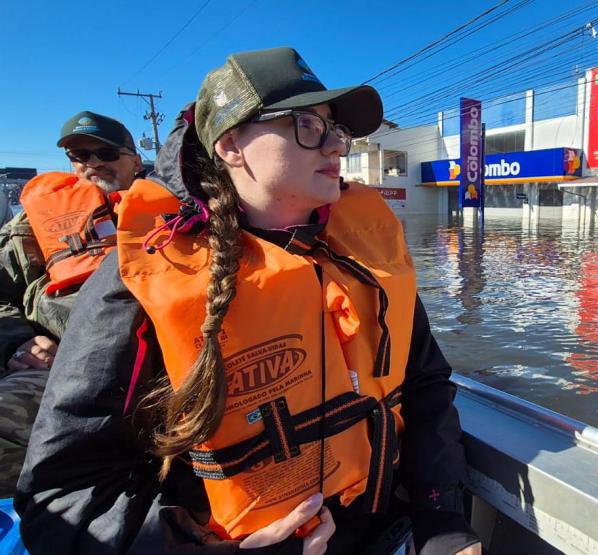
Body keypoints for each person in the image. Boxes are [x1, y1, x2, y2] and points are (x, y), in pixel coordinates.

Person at [16, 47, 481, 555]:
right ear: (231, 145)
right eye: (308, 125)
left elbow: (424, 382)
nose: (336, 147)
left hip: (376, 528)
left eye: (338, 130)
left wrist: (441, 514)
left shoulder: (363, 251)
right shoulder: (144, 276)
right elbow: (59, 497)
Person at [0, 112, 141, 496]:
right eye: (79, 155)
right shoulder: (29, 227)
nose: (92, 163)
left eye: (106, 153)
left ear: (135, 161)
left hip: (157, 371)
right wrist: (17, 342)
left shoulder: (171, 212)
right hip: (63, 369)